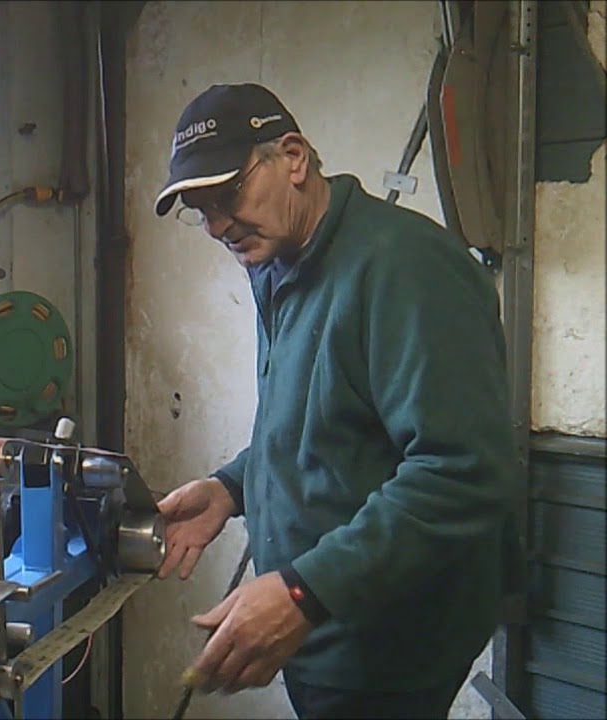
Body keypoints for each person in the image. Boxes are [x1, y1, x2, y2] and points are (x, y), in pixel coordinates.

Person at [151, 83, 522, 719]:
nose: (216, 226)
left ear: (293, 157)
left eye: (227, 195)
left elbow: (462, 471)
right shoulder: (280, 261)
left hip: (384, 645)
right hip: (323, 627)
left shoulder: (406, 269)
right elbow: (321, 420)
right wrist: (234, 487)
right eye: (200, 208)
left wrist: (301, 591)